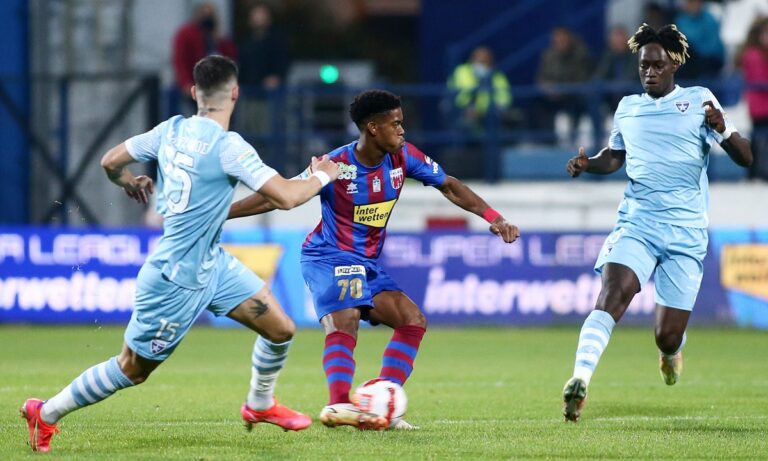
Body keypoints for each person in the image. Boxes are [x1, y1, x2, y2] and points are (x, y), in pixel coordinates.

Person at [20, 55, 341, 452]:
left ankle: (259, 404)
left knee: (281, 329)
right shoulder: (228, 146)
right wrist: (324, 175)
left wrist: (128, 181)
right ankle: (46, 412)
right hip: (175, 278)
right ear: (235, 93)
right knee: (132, 369)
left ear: (194, 92)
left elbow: (109, 161)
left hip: (212, 263)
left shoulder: (170, 129)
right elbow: (288, 198)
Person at [228, 89, 521, 430]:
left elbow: (450, 186)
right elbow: (276, 197)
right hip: (328, 256)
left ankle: (382, 402)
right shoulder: (335, 165)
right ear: (372, 128)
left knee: (412, 320)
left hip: (366, 263)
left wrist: (494, 218)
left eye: (402, 123)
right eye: (395, 124)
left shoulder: (404, 157)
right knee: (346, 318)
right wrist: (223, 213)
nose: (402, 130)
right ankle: (339, 404)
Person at [561, 24, 752, 423]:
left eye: (657, 65)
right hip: (638, 223)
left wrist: (722, 128)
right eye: (643, 66)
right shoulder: (628, 107)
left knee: (666, 335)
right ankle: (579, 380)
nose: (649, 72)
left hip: (686, 233)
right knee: (613, 294)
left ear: (674, 65)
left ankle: (670, 353)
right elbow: (615, 156)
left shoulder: (700, 101)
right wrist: (587, 164)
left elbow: (746, 157)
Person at [172, 2, 237, 113]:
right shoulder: (187, 34)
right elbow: (180, 60)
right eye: (204, 14)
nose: (207, 18)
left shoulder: (217, 37)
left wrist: (219, 39)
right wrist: (186, 83)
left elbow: (230, 57)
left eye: (211, 15)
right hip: (194, 86)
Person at [534, 26, 593, 144]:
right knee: (536, 103)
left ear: (570, 38)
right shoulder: (548, 55)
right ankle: (545, 140)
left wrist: (564, 89)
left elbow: (583, 78)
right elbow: (541, 78)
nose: (560, 41)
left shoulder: (580, 54)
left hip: (573, 93)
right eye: (557, 38)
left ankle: (573, 138)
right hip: (553, 94)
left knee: (579, 101)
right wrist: (548, 88)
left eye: (563, 37)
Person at [447, 46, 512, 135]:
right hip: (463, 111)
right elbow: (454, 95)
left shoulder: (498, 76)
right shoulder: (461, 72)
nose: (481, 65)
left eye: (484, 62)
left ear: (491, 63)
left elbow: (504, 98)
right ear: (472, 60)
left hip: (489, 114)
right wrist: (469, 107)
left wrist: (484, 110)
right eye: (478, 61)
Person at [737, 17, 768, 180]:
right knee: (757, 138)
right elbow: (757, 79)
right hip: (759, 105)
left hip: (762, 104)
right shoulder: (753, 55)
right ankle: (754, 173)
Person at [674, 0, 726, 80]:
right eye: (692, 2)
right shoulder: (681, 20)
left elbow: (713, 46)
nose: (695, 5)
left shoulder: (709, 19)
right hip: (691, 60)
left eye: (697, 2)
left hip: (710, 60)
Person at [594, 26, 639, 112]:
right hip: (612, 95)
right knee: (594, 94)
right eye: (616, 39)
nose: (619, 41)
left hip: (630, 95)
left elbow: (630, 78)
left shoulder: (635, 56)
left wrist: (612, 85)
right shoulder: (608, 56)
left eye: (621, 38)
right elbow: (600, 75)